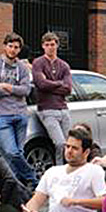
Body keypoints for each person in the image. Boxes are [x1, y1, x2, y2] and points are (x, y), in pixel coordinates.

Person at [0, 34, 37, 187]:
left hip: (21, 114)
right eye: (10, 46)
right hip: (1, 115)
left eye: (16, 47)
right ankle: (33, 179)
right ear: (4, 46)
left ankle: (16, 188)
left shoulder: (22, 67)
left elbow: (26, 90)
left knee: (17, 153)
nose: (13, 50)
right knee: (11, 152)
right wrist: (16, 90)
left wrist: (7, 87)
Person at [31, 32, 73, 164]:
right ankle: (60, 169)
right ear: (43, 46)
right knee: (60, 143)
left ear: (57, 45)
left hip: (63, 109)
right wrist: (59, 83)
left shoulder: (64, 65)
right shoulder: (38, 63)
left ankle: (70, 168)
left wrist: (50, 85)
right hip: (47, 109)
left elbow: (68, 89)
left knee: (70, 144)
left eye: (53, 44)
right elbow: (41, 84)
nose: (50, 47)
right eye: (47, 44)